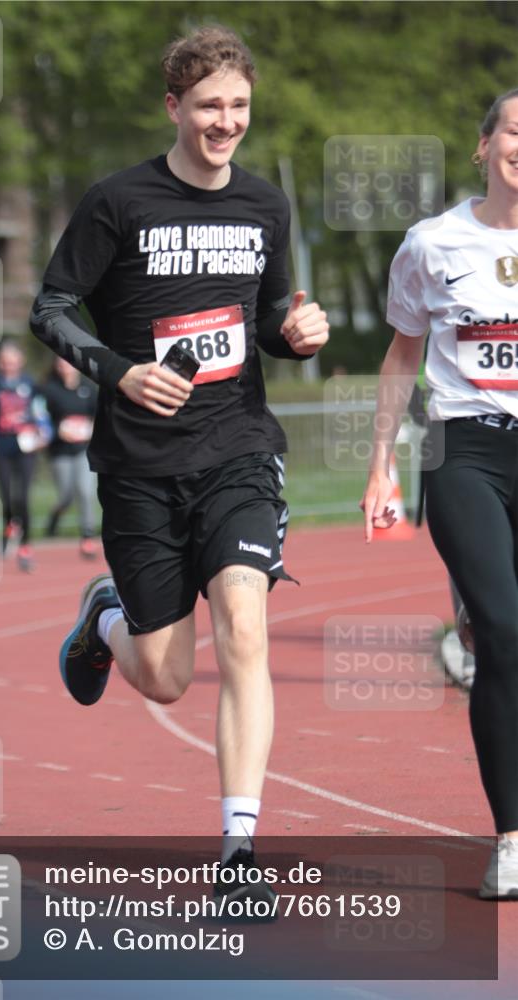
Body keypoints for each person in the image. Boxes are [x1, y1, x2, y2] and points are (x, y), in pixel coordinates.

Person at [30, 24, 329, 904]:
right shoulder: (118, 202)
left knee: (244, 623)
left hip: (237, 448)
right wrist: (120, 372)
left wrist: (298, 334)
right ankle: (104, 619)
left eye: (238, 105)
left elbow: (268, 317)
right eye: (207, 106)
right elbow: (51, 307)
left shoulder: (265, 205)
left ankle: (237, 850)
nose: (225, 121)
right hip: (139, 465)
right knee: (165, 679)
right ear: (174, 106)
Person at [361, 88, 518, 899]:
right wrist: (379, 463)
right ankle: (512, 839)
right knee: (502, 629)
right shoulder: (431, 244)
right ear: (484, 145)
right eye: (515, 131)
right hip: (463, 449)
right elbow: (400, 356)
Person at [0, 340, 49, 572]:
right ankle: (9, 526)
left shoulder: (30, 383)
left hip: (26, 446)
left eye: (12, 361)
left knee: (23, 497)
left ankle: (25, 546)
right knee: (6, 496)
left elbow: (40, 412)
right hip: (2, 446)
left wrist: (43, 434)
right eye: (4, 361)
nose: (8, 365)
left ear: (20, 361)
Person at [41, 356, 99, 557]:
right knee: (66, 496)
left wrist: (90, 429)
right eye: (60, 363)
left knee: (85, 490)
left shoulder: (88, 388)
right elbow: (40, 417)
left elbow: (98, 415)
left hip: (84, 449)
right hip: (60, 451)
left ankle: (88, 536)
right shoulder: (50, 390)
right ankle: (55, 517)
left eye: (68, 363)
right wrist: (57, 430)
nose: (65, 367)